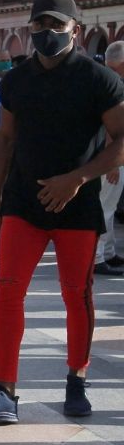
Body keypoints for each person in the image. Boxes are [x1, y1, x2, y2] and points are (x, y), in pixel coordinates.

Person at [0, 0, 124, 423]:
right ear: (30, 29)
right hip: (24, 202)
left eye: (56, 25)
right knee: (8, 291)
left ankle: (77, 380)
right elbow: (7, 137)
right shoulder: (15, 81)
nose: (47, 34)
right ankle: (4, 391)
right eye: (39, 26)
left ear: (75, 26)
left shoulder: (98, 78)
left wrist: (78, 178)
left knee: (77, 294)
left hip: (78, 202)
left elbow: (122, 138)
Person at [94, 41, 124, 276]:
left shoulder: (103, 81)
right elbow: (106, 126)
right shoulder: (109, 85)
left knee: (110, 207)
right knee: (104, 207)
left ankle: (109, 252)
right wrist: (111, 161)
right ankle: (97, 256)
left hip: (114, 155)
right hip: (111, 157)